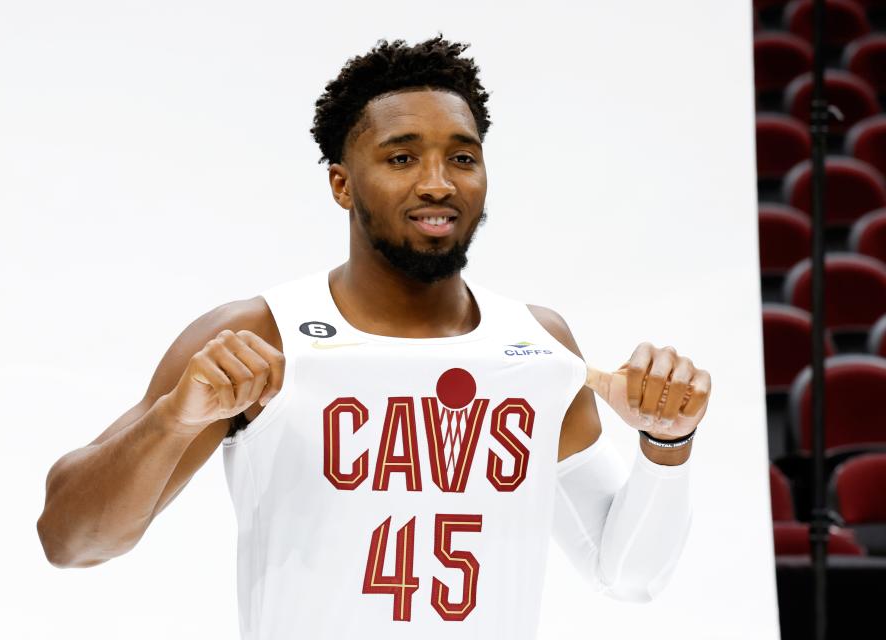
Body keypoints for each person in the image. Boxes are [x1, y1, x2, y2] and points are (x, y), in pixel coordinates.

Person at [36, 34, 711, 639]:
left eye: (462, 156)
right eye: (401, 157)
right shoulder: (260, 331)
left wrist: (666, 444)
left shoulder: (538, 342)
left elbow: (627, 576)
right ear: (341, 183)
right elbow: (71, 540)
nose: (438, 183)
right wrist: (173, 422)